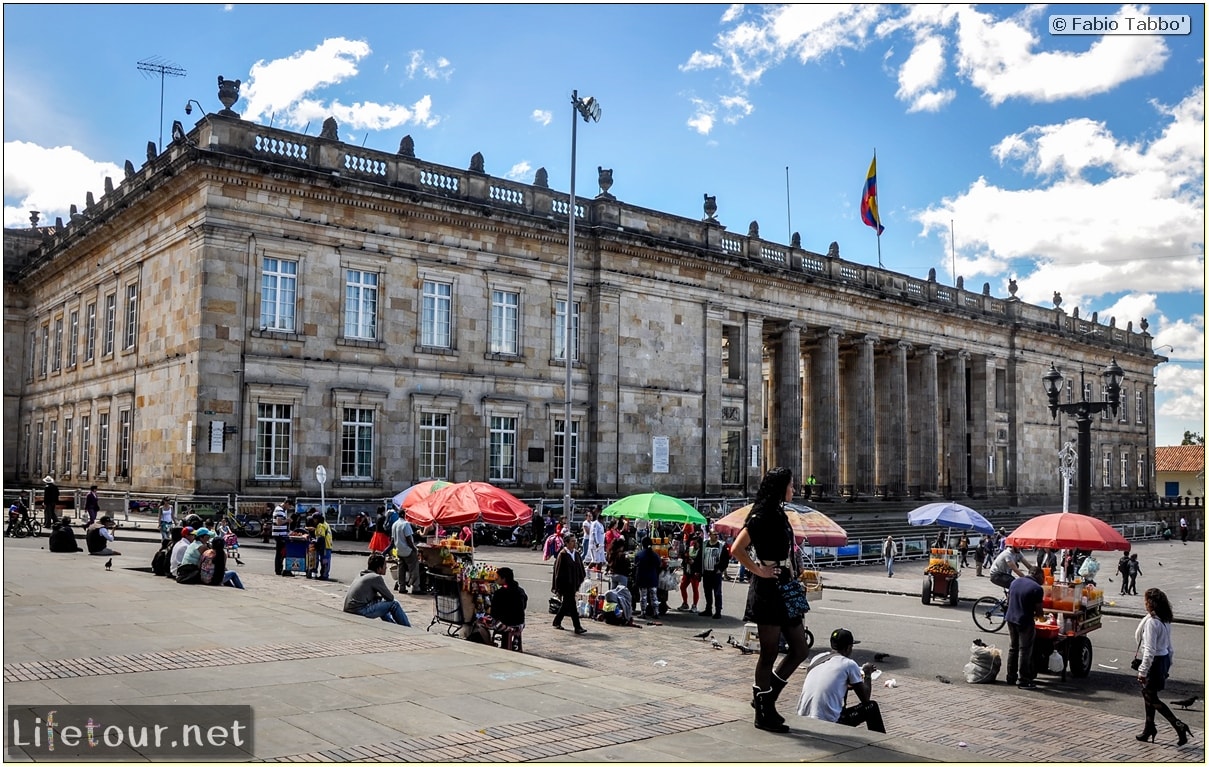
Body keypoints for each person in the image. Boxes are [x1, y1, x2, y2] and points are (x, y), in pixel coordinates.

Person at [729, 466, 811, 734]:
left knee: (800, 648)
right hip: (767, 588)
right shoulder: (761, 515)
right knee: (769, 651)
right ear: (780, 487)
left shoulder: (779, 513)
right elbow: (737, 548)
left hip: (786, 585)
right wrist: (759, 569)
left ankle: (766, 698)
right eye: (791, 485)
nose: (794, 489)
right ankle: (763, 711)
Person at [796, 628, 885, 732]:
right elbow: (865, 698)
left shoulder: (817, 658)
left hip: (802, 718)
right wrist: (868, 674)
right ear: (848, 648)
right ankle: (879, 744)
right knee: (871, 707)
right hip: (827, 723)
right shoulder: (848, 664)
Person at [1134, 588, 1192, 745]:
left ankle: (1178, 725)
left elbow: (1150, 650)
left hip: (1154, 663)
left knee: (1150, 697)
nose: (1144, 604)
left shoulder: (1152, 623)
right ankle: (1148, 728)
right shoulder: (1164, 620)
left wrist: (1142, 671)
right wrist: (1168, 665)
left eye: (1146, 601)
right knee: (1149, 695)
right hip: (1163, 660)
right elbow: (1169, 647)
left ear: (1151, 603)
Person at [1005, 565, 1045, 688]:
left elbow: (1008, 600)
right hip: (1025, 621)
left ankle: (1011, 676)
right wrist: (1042, 618)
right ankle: (1024, 680)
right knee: (1025, 650)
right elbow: (1039, 612)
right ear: (1038, 575)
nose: (1044, 580)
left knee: (1013, 648)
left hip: (1010, 618)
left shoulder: (1015, 582)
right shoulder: (1037, 588)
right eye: (1043, 577)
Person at [343, 554, 411, 626]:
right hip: (359, 611)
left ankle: (391, 624)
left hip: (349, 609)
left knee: (380, 601)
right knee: (394, 604)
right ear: (379, 568)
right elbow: (390, 597)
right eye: (385, 565)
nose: (386, 568)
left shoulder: (362, 575)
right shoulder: (376, 577)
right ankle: (406, 627)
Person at [551, 533, 588, 634]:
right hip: (565, 585)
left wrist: (579, 580)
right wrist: (558, 588)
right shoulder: (562, 554)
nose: (574, 543)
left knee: (566, 604)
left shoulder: (576, 554)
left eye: (575, 541)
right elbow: (558, 572)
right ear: (566, 543)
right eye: (572, 541)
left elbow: (580, 568)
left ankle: (556, 621)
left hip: (574, 584)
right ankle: (577, 627)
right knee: (572, 605)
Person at [488, 566, 527, 651]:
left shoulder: (499, 593)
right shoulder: (521, 591)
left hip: (506, 624)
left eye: (497, 578)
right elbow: (524, 606)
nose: (496, 580)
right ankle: (514, 640)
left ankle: (490, 643)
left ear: (503, 579)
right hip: (520, 623)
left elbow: (494, 613)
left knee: (481, 622)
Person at [701, 526, 730, 619]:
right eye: (714, 534)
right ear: (709, 535)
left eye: (717, 534)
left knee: (717, 593)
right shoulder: (705, 544)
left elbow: (725, 559)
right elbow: (701, 557)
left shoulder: (721, 545)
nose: (716, 536)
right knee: (707, 592)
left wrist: (720, 569)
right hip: (706, 572)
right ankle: (708, 609)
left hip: (716, 573)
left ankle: (718, 611)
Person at [633, 537, 662, 619]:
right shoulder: (655, 555)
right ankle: (656, 612)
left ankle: (643, 613)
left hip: (642, 578)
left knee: (643, 596)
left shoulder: (639, 554)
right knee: (654, 596)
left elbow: (635, 564)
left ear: (642, 544)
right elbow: (659, 565)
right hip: (652, 578)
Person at [391, 511, 418, 592]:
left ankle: (401, 587)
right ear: (404, 515)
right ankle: (416, 587)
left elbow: (392, 539)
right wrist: (414, 549)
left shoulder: (394, 524)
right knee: (414, 568)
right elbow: (409, 539)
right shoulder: (405, 524)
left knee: (401, 569)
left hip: (399, 550)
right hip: (407, 551)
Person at [677, 528, 703, 613]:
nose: (694, 542)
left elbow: (700, 562)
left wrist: (694, 563)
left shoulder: (701, 551)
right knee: (682, 586)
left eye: (696, 540)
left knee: (695, 589)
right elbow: (684, 556)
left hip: (695, 572)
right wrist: (685, 560)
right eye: (693, 540)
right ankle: (685, 603)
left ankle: (694, 605)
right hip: (687, 571)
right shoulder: (689, 548)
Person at [271, 500, 291, 576]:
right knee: (280, 553)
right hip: (279, 534)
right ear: (286, 504)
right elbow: (278, 522)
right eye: (289, 506)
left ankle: (279, 568)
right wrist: (287, 520)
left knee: (280, 552)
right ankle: (278, 569)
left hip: (280, 534)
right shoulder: (279, 510)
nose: (288, 508)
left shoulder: (281, 510)